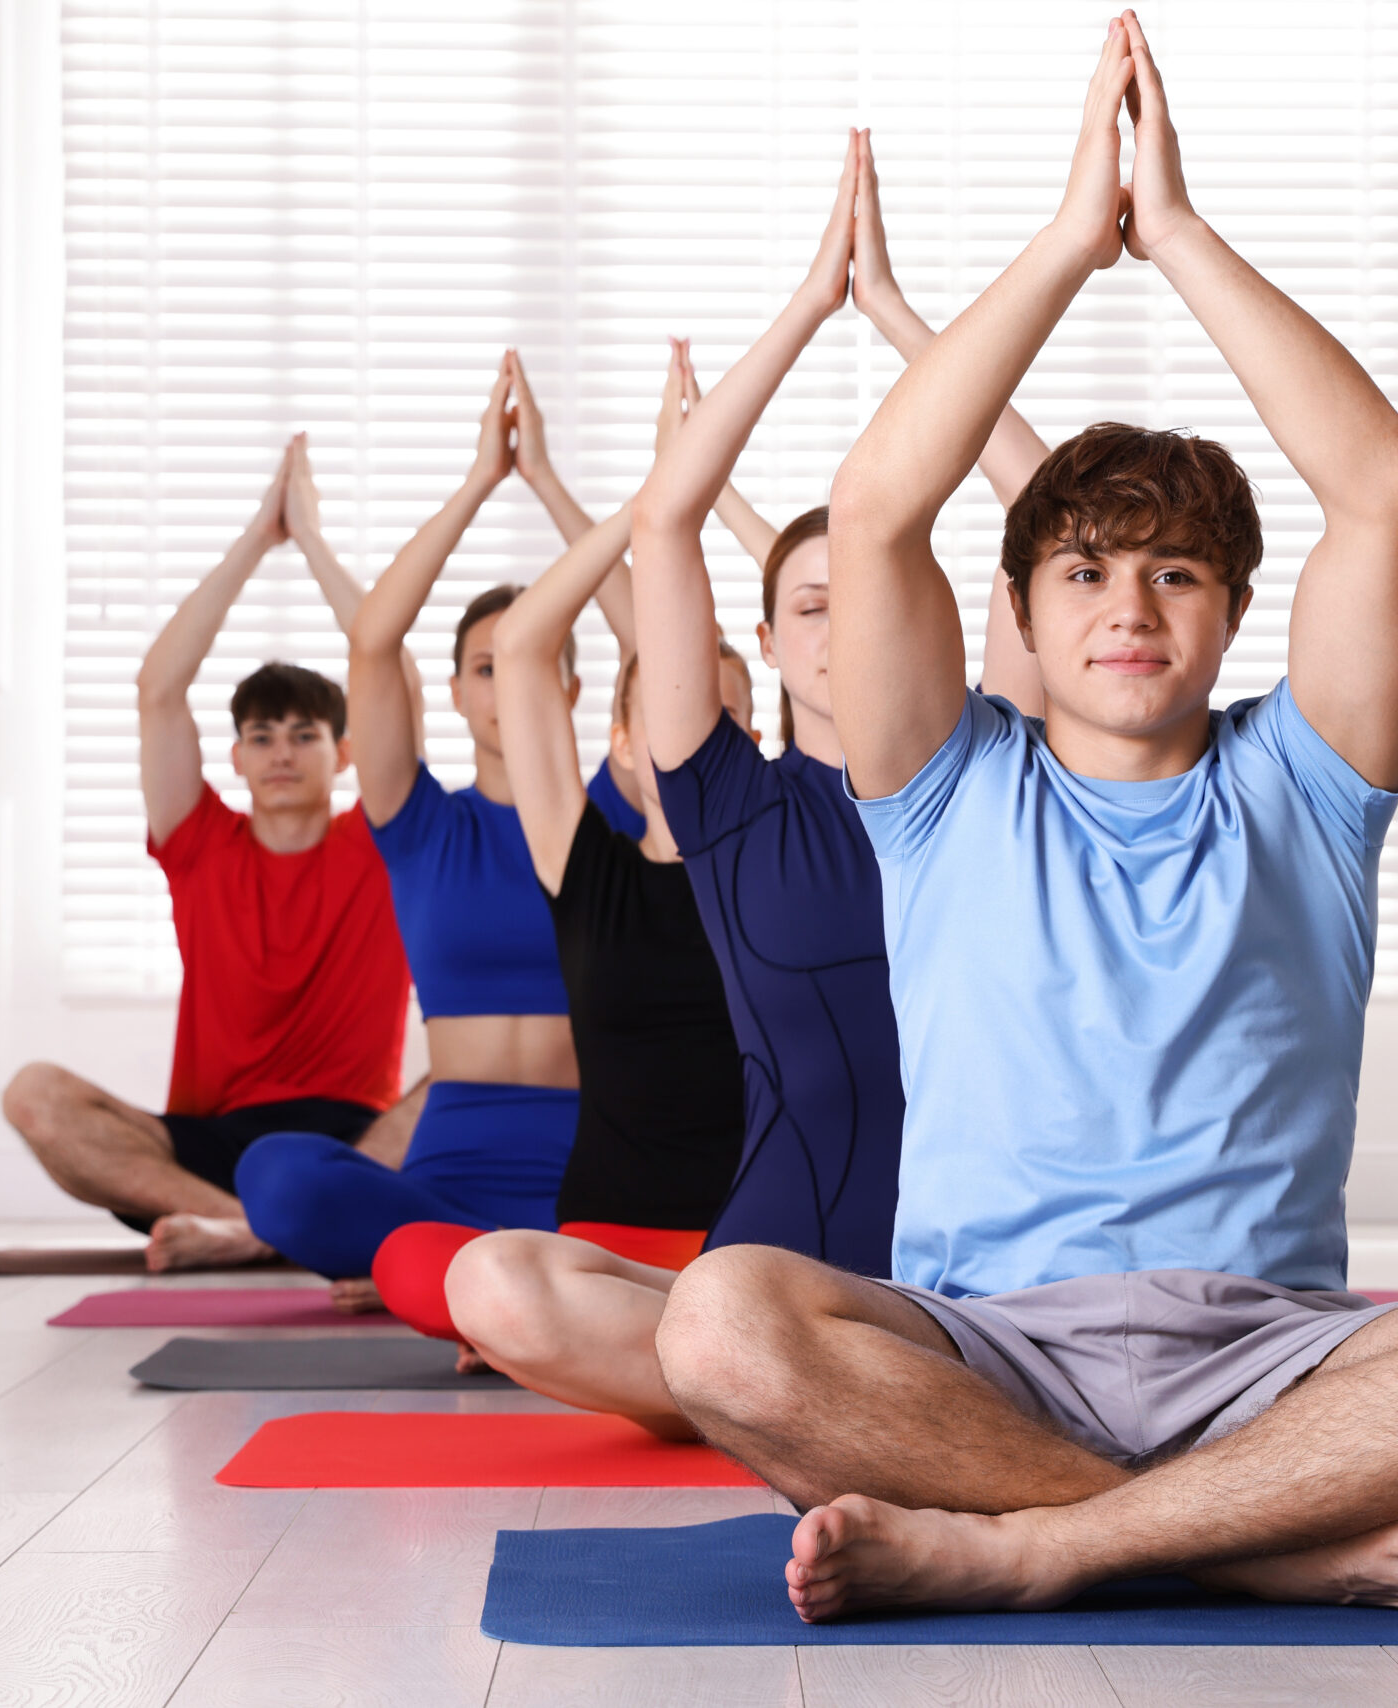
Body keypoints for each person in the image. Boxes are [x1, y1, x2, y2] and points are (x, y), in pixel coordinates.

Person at [653, 13, 1398, 1623]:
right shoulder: (942, 785)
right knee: (717, 1323)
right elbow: (883, 501)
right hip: (987, 1350)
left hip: (1271, 1354)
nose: (1130, 608)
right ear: (1020, 621)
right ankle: (1254, 1542)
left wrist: (1171, 235)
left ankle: (1043, 1545)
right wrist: (1061, 244)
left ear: (1234, 612)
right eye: (1086, 573)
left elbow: (1383, 483)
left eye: (1174, 571)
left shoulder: (1307, 786)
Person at [416, 132, 1054, 1432]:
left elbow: (1048, 509)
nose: (846, 628)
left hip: (961, 1286)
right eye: (813, 607)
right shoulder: (722, 799)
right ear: (765, 645)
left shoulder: (983, 776)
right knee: (495, 1280)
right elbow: (664, 523)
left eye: (879, 599)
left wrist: (896, 319)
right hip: (761, 1281)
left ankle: (840, 1407)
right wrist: (813, 303)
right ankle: (803, 1394)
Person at [367, 345, 770, 1394]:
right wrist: (650, 497)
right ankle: (701, 1371)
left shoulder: (788, 860)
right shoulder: (582, 859)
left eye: (727, 711)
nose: (702, 726)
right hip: (609, 1238)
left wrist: (693, 498)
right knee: (426, 1263)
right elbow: (536, 642)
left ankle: (649, 1363)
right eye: (680, 705)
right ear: (624, 741)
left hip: (756, 1241)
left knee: (725, 1305)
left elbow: (815, 639)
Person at [230, 356, 683, 1286]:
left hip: (598, 1172)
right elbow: (371, 641)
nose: (506, 684)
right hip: (448, 1176)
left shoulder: (614, 806)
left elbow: (660, 648)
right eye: (485, 667)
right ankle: (493, 1288)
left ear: (572, 686)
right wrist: (482, 483)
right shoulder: (420, 821)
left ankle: (481, 1290)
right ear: (456, 692)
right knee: (275, 1172)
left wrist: (558, 487)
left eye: (529, 661)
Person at [1, 437, 425, 1271]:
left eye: (305, 735)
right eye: (260, 736)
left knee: (465, 1084)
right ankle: (253, 1224)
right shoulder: (200, 845)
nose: (280, 752)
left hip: (350, 1139)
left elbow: (397, 681)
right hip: (207, 1149)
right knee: (34, 1095)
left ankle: (253, 1231)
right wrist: (255, 542)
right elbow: (158, 687)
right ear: (234, 758)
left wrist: (311, 542)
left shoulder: (381, 839)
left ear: (344, 754)